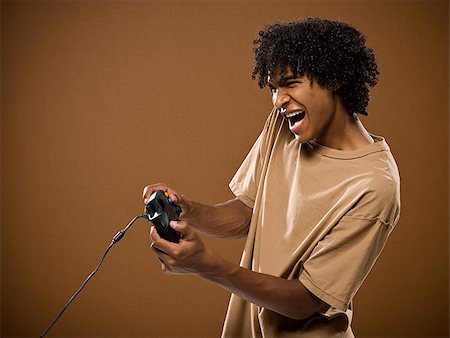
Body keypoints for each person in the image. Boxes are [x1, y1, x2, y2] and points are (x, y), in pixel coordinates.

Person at [143, 17, 400, 337]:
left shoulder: (375, 185)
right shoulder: (285, 126)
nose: (278, 101)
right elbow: (245, 215)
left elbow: (307, 300)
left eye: (290, 84)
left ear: (332, 78)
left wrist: (208, 266)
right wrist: (185, 209)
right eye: (273, 88)